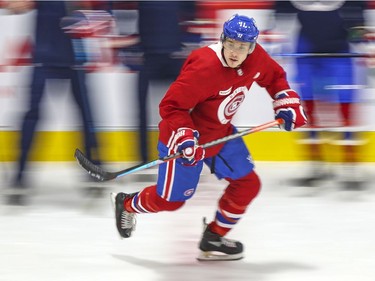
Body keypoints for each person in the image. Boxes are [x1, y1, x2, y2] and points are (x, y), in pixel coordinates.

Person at [111, 14, 307, 261]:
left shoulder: (256, 58)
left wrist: (286, 102)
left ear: (252, 47)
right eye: (232, 44)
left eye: (243, 46)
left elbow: (275, 77)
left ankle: (213, 236)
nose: (236, 52)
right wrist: (185, 136)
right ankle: (127, 203)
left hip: (220, 134)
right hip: (183, 140)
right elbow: (172, 106)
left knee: (247, 185)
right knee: (171, 202)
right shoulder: (204, 66)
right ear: (223, 40)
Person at [5, 0, 108, 205]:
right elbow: (16, 6)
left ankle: (95, 170)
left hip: (74, 56)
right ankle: (19, 177)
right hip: (45, 55)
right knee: (33, 115)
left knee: (86, 115)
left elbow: (95, 8)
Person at [273, 1, 367, 188]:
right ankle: (315, 164)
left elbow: (357, 13)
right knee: (307, 106)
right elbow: (281, 9)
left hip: (341, 44)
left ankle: (350, 166)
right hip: (306, 45)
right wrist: (277, 35)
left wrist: (361, 37)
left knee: (346, 105)